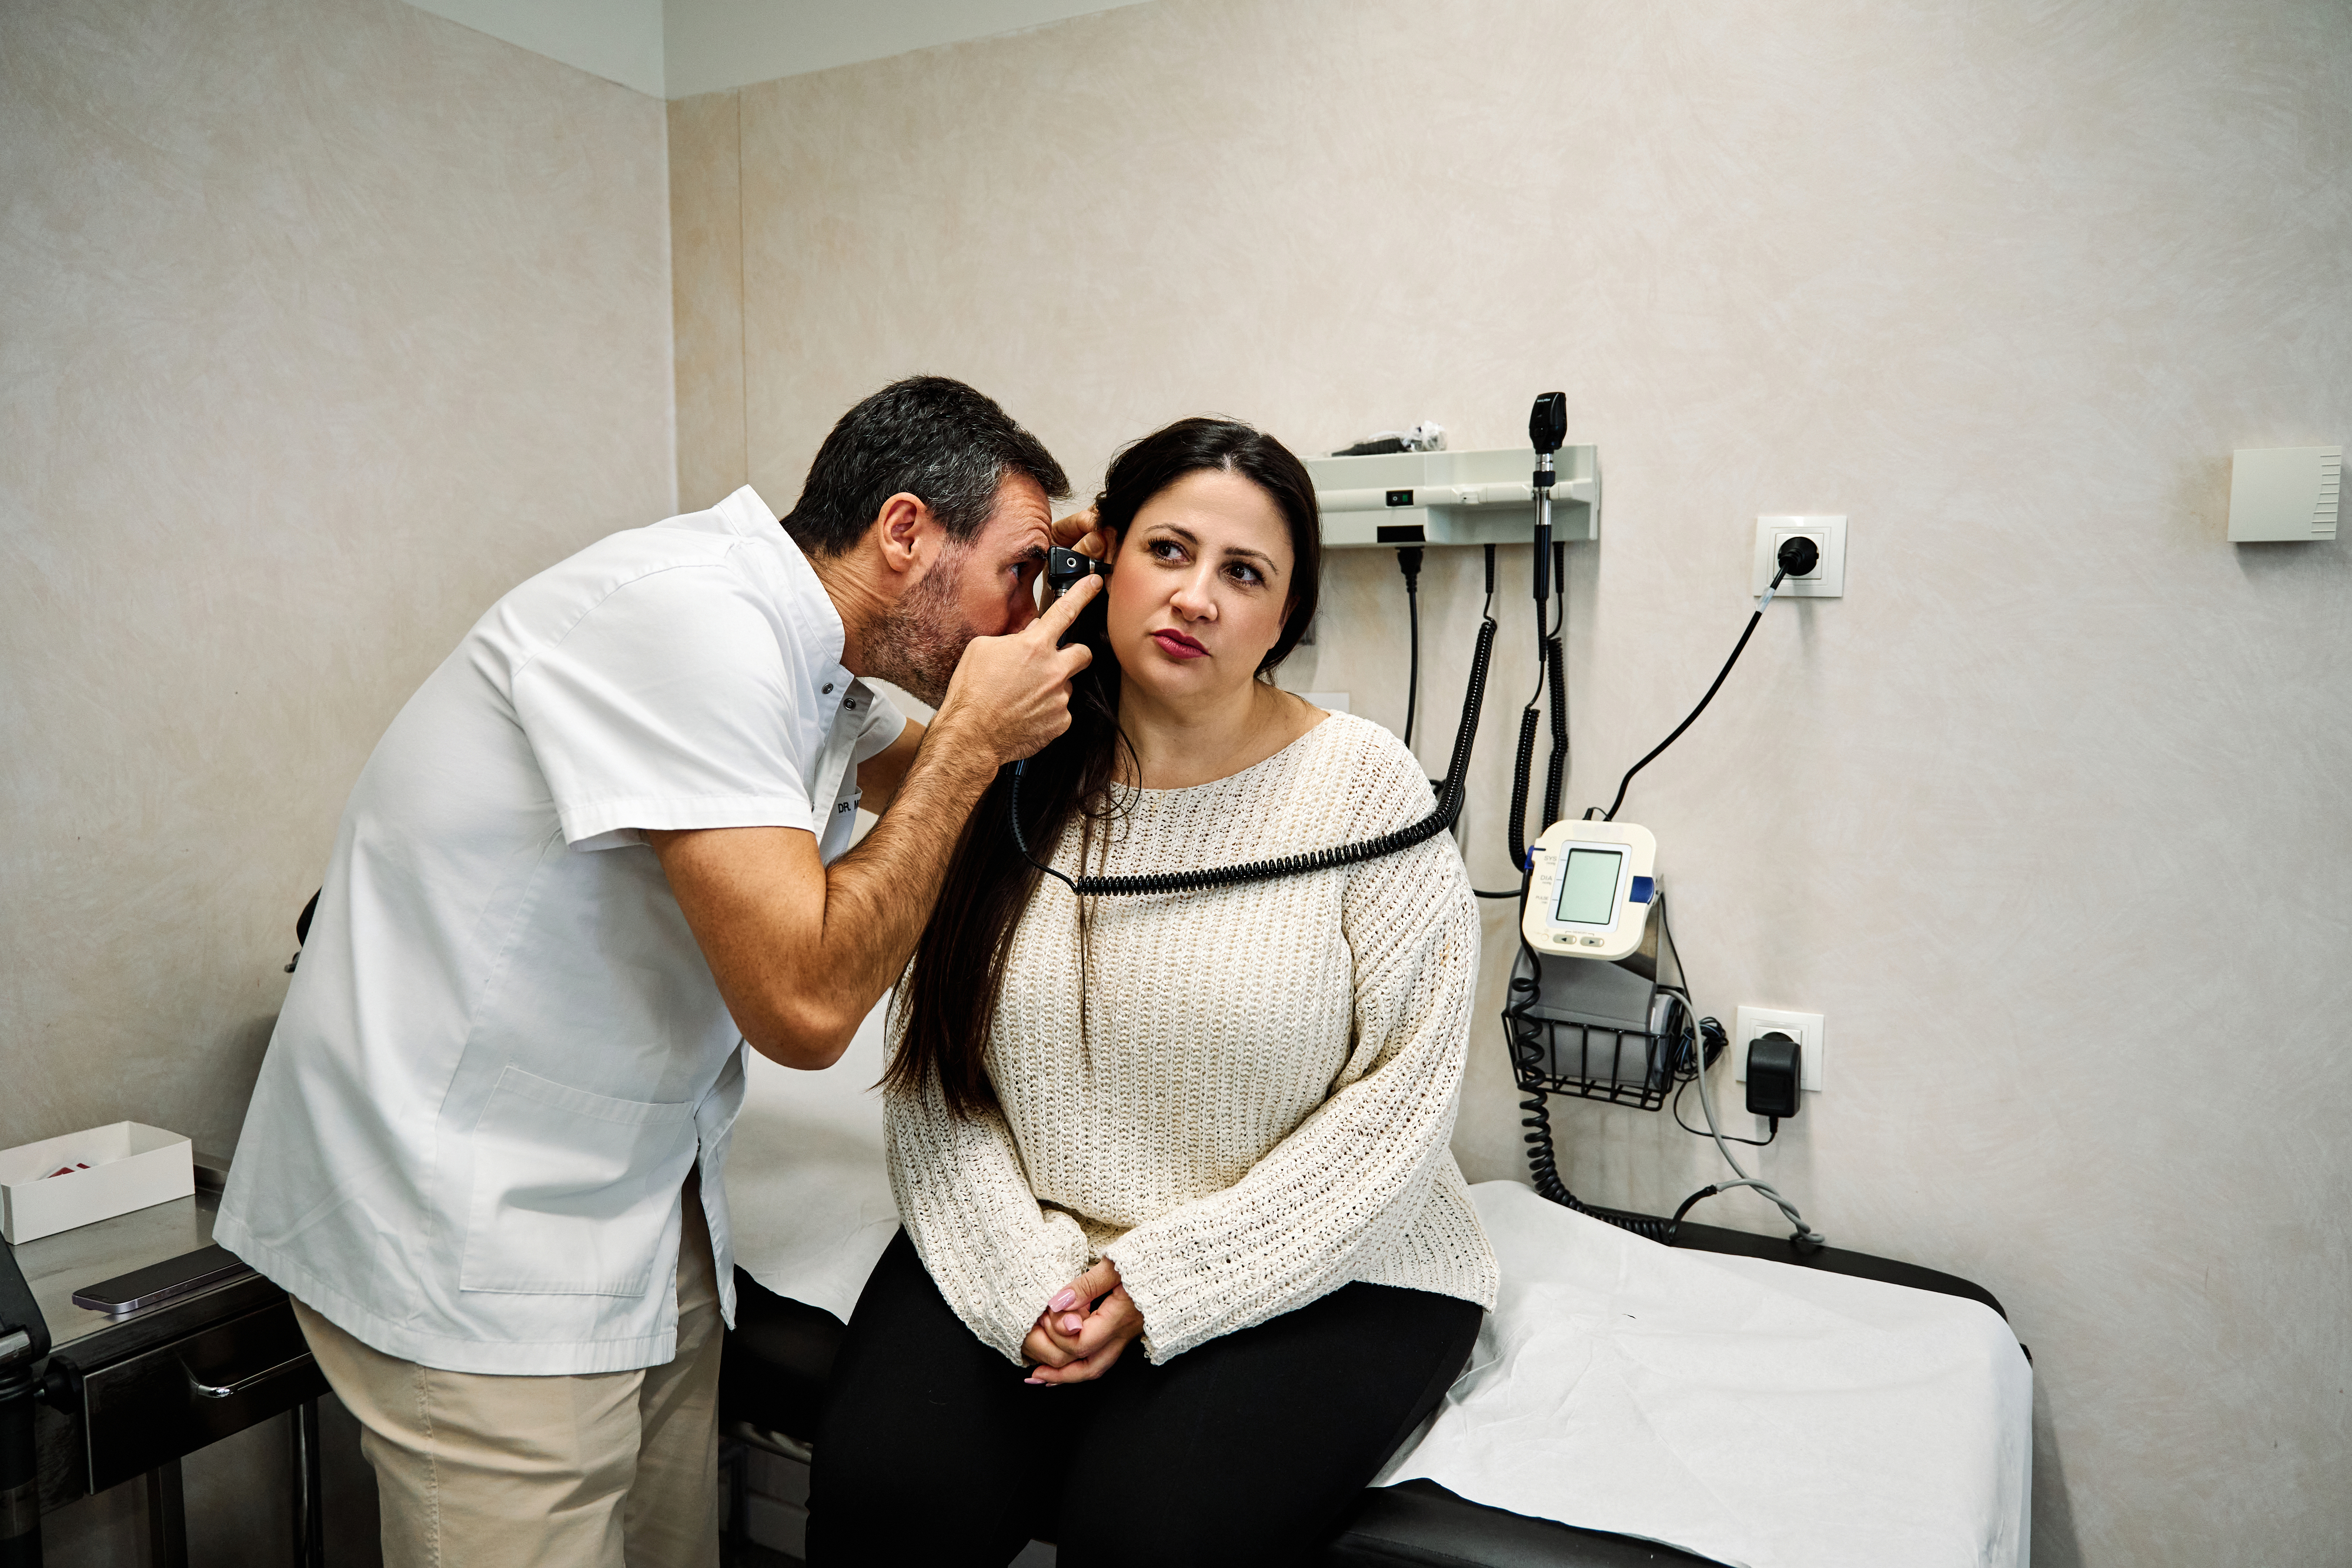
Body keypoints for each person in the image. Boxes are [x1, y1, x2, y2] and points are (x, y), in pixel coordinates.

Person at [214, 376, 1106, 1568]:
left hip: (637, 1205)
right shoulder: (689, 624)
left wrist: (1095, 613)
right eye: (1019, 566)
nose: (1018, 612)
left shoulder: (812, 660)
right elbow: (804, 1005)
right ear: (903, 532)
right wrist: (970, 739)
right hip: (478, 1231)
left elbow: (916, 779)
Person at [805, 417, 1499, 1567]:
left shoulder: (1363, 789)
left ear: (1283, 617)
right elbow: (938, 1071)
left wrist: (1164, 1275)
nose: (1196, 598)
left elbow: (1401, 1101)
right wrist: (1015, 1276)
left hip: (1326, 1254)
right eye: (1166, 551)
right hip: (1035, 1232)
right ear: (1101, 559)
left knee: (1145, 1538)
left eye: (1244, 574)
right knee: (887, 1497)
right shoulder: (1006, 765)